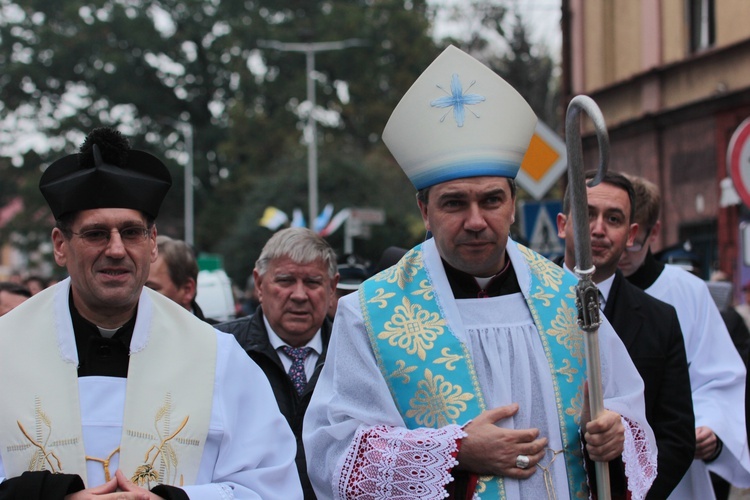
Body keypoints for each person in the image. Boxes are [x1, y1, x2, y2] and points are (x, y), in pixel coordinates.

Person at [303, 45, 656, 500]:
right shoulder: (369, 314)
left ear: (513, 205)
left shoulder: (567, 297)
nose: (475, 220)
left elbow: (628, 409)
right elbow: (335, 452)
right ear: (424, 210)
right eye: (454, 202)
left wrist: (615, 434)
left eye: (491, 200)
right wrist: (456, 452)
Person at [0, 127, 302, 499]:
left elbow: (272, 488)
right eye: (96, 234)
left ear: (153, 243)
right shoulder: (6, 348)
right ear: (60, 246)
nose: (115, 249)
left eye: (131, 232)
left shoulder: (216, 359)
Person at [556, 171, 695, 498]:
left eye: (613, 218)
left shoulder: (660, 320)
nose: (599, 229)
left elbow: (676, 435)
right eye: (588, 214)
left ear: (632, 234)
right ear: (562, 224)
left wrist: (632, 493)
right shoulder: (524, 305)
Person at [619, 174, 750, 499]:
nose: (622, 248)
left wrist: (712, 429)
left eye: (633, 238)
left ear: (653, 232)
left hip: (677, 468)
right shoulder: (568, 291)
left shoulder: (686, 291)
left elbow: (718, 375)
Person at [216, 227, 338, 500]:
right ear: (259, 284)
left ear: (332, 287)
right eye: (285, 280)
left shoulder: (356, 351)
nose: (298, 295)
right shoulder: (221, 348)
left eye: (313, 282)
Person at [146, 234, 217, 323]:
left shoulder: (217, 336)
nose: (139, 297)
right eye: (137, 288)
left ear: (187, 290)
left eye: (152, 289)